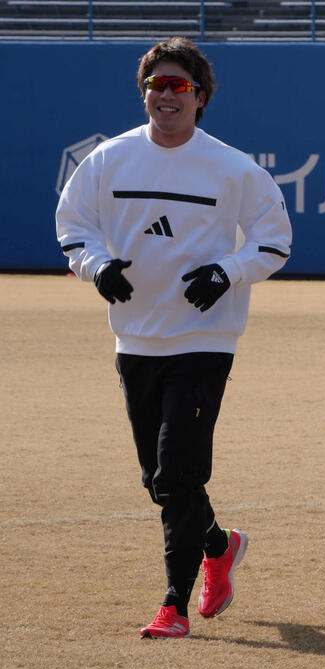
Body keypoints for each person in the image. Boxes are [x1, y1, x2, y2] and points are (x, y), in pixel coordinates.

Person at [55, 37, 293, 638]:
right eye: (157, 85)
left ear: (201, 97)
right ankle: (219, 545)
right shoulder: (108, 160)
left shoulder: (233, 167)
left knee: (179, 476)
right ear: (144, 94)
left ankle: (173, 605)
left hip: (205, 341)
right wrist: (97, 266)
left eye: (178, 86)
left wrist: (227, 273)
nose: (166, 94)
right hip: (134, 341)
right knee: (160, 481)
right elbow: (73, 225)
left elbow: (274, 239)